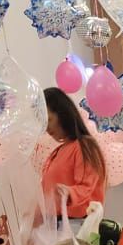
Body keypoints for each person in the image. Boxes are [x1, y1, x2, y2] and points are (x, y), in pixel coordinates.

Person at [40, 86, 109, 221]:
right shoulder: (57, 152)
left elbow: (87, 187)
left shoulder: (84, 146)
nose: (46, 128)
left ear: (62, 114)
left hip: (77, 225)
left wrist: (68, 193)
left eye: (49, 120)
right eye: (43, 123)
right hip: (56, 224)